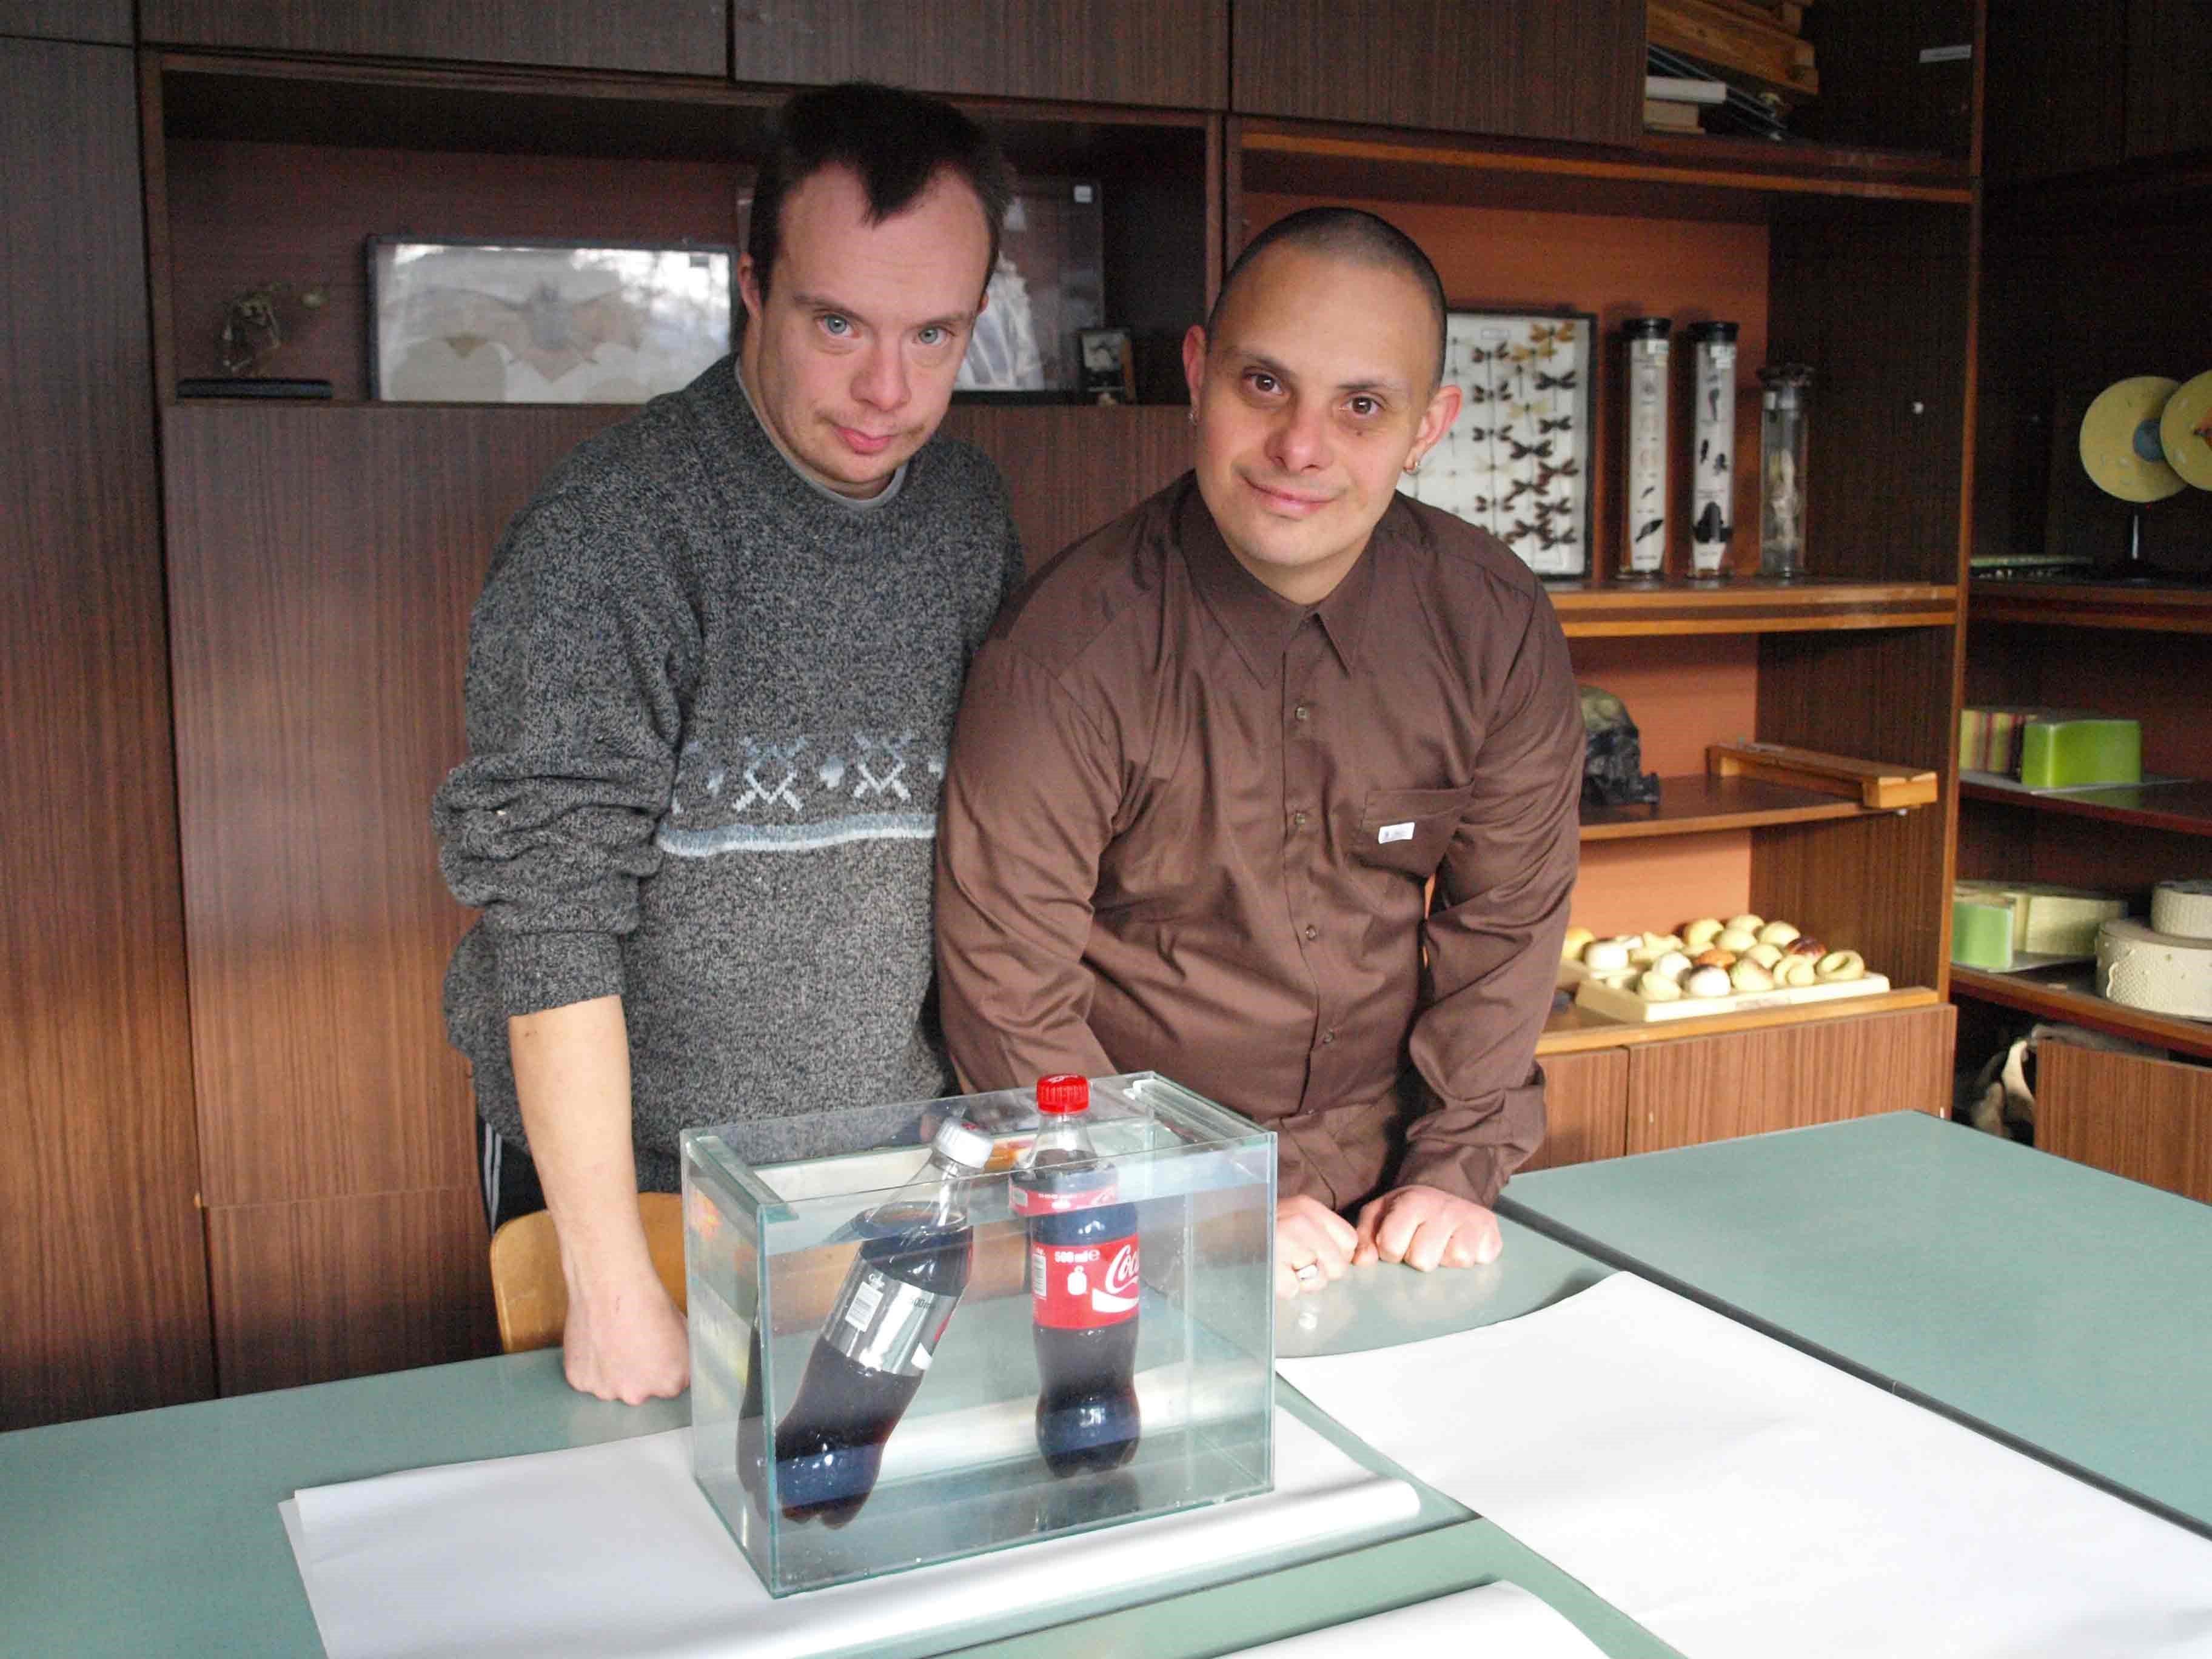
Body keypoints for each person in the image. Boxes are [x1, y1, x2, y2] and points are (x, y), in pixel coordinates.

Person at [434, 83, 1024, 1404]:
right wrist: (607, 1281)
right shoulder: (616, 532)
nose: (889, 389)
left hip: (897, 1170)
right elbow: (550, 916)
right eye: (838, 324)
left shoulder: (969, 513)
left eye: (935, 334)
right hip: (643, 1190)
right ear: (751, 287)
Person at [936, 208, 1582, 1301]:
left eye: (1363, 407)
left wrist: (1455, 1169)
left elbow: (1506, 926)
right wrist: (1192, 1201)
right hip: (1120, 1214)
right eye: (1265, 385)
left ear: (1430, 425)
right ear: (1199, 373)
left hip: (1397, 1215)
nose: (1300, 449)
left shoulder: (1495, 624)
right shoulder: (1067, 651)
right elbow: (1007, 993)